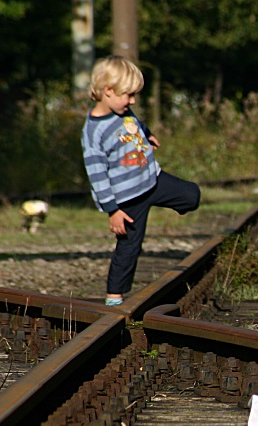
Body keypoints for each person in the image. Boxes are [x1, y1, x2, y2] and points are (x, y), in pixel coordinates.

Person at [81, 55, 200, 306]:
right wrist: (113, 211)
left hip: (152, 180)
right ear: (108, 91)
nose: (132, 101)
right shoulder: (93, 132)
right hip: (128, 199)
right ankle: (114, 297)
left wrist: (147, 133)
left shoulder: (122, 110)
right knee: (129, 247)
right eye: (129, 95)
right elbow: (97, 175)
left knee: (192, 196)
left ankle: (180, 206)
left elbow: (133, 122)